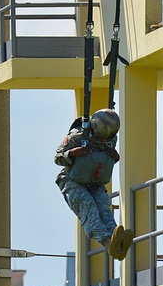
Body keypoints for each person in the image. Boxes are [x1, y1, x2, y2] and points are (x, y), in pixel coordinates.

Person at [55, 109, 134, 260]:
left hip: (95, 182)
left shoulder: (111, 139)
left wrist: (115, 157)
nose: (105, 141)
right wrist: (72, 153)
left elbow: (108, 157)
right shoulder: (77, 136)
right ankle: (106, 241)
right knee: (88, 205)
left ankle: (116, 240)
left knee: (104, 206)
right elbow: (58, 157)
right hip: (72, 181)